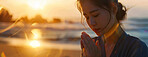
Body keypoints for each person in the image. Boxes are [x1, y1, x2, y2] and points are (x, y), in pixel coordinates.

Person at [77, 0, 148, 57]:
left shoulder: (136, 48)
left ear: (113, 9)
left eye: (96, 15)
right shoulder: (92, 46)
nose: (91, 23)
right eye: (87, 17)